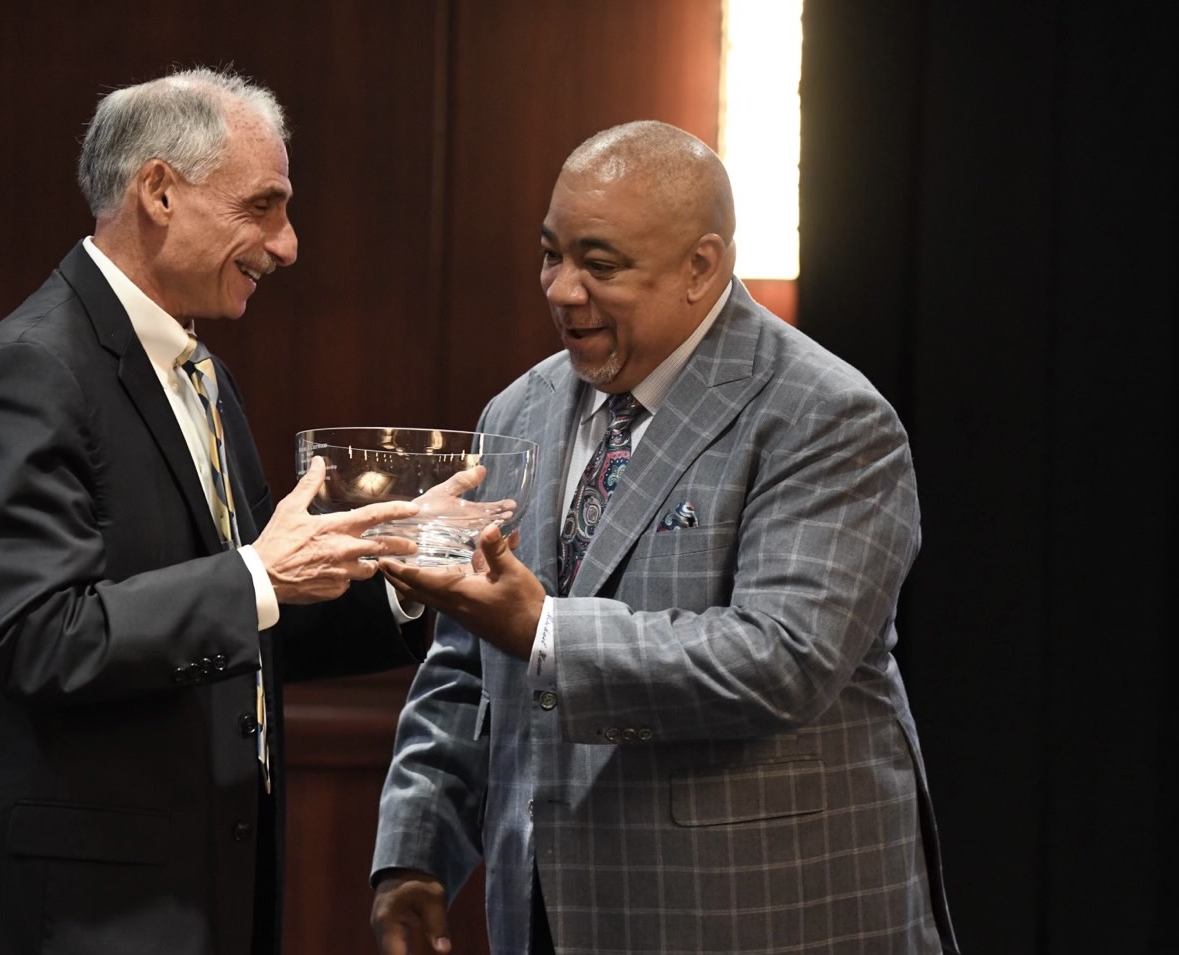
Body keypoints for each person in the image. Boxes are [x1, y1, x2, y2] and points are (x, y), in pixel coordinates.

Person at [369, 121, 960, 954]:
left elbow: (782, 659)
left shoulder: (825, 416)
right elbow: (465, 667)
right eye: (550, 253)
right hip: (548, 914)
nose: (562, 290)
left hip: (762, 916)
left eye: (600, 265)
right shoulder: (516, 413)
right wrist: (414, 853)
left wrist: (544, 629)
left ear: (702, 266)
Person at [0, 66, 430, 955]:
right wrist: (258, 576)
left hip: (208, 889)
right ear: (158, 190)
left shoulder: (201, 372)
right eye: (263, 206)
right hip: (85, 915)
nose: (288, 244)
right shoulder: (31, 370)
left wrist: (408, 581)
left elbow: (245, 616)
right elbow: (32, 637)